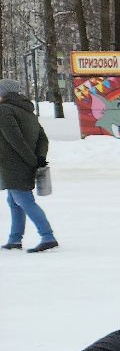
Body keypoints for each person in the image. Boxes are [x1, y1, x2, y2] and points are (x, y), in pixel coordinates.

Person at [0, 78, 56, 252]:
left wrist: (31, 160)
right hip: (24, 163)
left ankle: (48, 236)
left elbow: (15, 140)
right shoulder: (27, 110)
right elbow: (43, 138)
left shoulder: (4, 110)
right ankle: (15, 239)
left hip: (14, 164)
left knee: (24, 200)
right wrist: (39, 158)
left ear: (5, 93)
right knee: (14, 201)